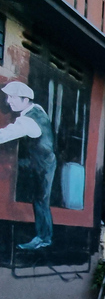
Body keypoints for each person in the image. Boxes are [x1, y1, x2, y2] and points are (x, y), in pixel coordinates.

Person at [0, 81, 57, 250]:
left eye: (12, 97)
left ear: (25, 100)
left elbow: (6, 134)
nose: (8, 101)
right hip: (44, 162)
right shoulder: (37, 109)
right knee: (40, 200)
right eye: (8, 97)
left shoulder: (28, 121)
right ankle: (44, 237)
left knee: (41, 200)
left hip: (42, 165)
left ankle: (43, 238)